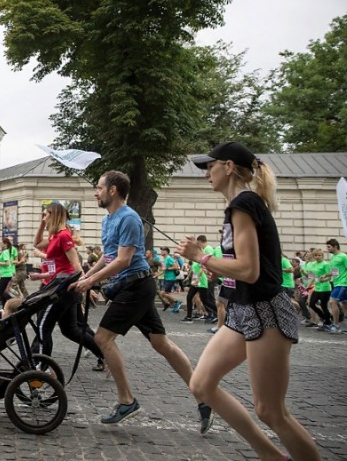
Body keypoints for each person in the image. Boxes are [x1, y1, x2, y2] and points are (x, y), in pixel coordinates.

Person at [176, 142, 320, 460]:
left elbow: (249, 270)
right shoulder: (239, 206)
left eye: (209, 167)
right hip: (243, 311)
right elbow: (242, 270)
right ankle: (269, 454)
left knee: (270, 411)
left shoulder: (243, 203)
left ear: (228, 167)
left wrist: (200, 257)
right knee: (201, 384)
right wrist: (210, 264)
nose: (205, 175)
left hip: (266, 311)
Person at [70, 170, 214, 433]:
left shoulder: (129, 219)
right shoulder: (107, 219)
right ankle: (203, 396)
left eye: (100, 188)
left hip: (135, 286)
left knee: (102, 339)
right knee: (162, 344)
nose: (96, 192)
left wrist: (90, 283)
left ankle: (127, 401)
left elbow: (123, 260)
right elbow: (108, 255)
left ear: (113, 190)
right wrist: (85, 276)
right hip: (134, 285)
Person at [30, 202, 106, 373]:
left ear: (54, 215)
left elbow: (76, 266)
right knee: (70, 330)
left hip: (64, 289)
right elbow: (36, 243)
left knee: (43, 326)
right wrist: (42, 223)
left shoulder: (64, 236)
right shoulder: (54, 236)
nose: (44, 217)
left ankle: (41, 368)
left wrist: (87, 286)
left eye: (46, 214)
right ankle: (105, 355)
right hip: (60, 287)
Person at [326, 239, 347, 333]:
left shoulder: (343, 256)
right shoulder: (332, 257)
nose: (327, 249)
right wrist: (326, 275)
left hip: (343, 283)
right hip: (336, 283)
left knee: (332, 302)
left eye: (329, 247)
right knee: (345, 305)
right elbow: (335, 271)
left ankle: (336, 326)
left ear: (335, 246)